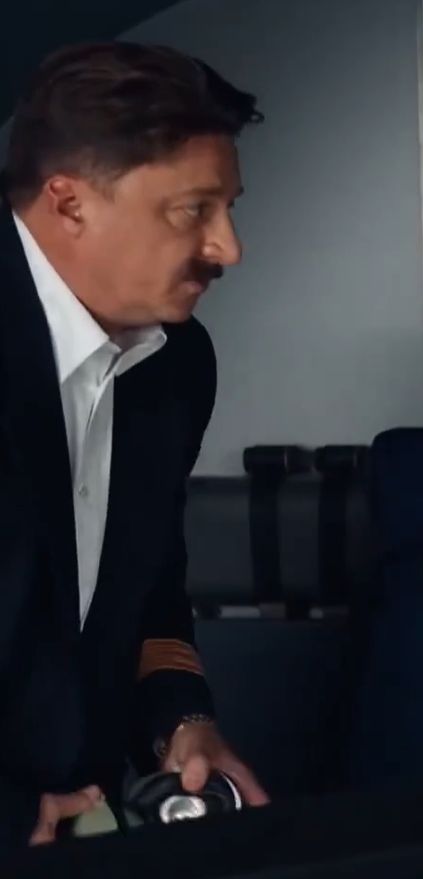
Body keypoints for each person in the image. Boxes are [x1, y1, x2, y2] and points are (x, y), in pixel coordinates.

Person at [0, 42, 270, 848]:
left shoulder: (177, 363)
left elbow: (148, 587)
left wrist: (180, 721)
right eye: (193, 210)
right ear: (70, 202)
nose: (228, 247)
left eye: (228, 208)